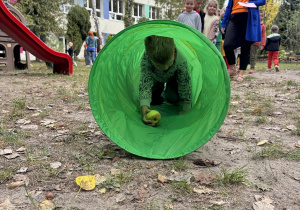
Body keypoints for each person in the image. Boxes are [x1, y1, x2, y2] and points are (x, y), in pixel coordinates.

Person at [139, 35, 192, 126]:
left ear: (173, 49)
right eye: (159, 66)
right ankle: (159, 92)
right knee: (152, 100)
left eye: (169, 64)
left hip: (173, 79)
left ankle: (167, 92)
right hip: (155, 78)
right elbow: (145, 84)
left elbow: (185, 84)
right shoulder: (146, 58)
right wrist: (144, 110)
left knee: (173, 98)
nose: (165, 68)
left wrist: (186, 108)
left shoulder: (181, 60)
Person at [221, 0, 266, 81]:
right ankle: (232, 68)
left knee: (245, 47)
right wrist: (223, 22)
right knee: (227, 45)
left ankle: (241, 74)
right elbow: (228, 7)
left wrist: (251, 4)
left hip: (248, 18)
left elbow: (263, 1)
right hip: (234, 18)